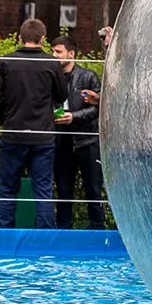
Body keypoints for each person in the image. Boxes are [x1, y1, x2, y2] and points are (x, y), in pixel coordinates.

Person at [0, 19, 65, 229]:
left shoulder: (6, 62)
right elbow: (62, 95)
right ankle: (45, 240)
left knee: (7, 189)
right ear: (43, 39)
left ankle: (5, 238)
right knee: (43, 190)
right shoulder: (51, 63)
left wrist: (3, 118)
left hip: (13, 132)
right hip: (43, 135)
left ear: (20, 38)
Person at [51, 36, 105, 229]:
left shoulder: (88, 77)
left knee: (93, 189)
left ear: (71, 54)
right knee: (64, 191)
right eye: (53, 51)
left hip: (86, 141)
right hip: (62, 141)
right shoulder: (51, 76)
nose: (54, 55)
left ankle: (98, 231)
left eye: (58, 51)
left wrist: (75, 116)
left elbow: (99, 108)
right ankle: (63, 232)